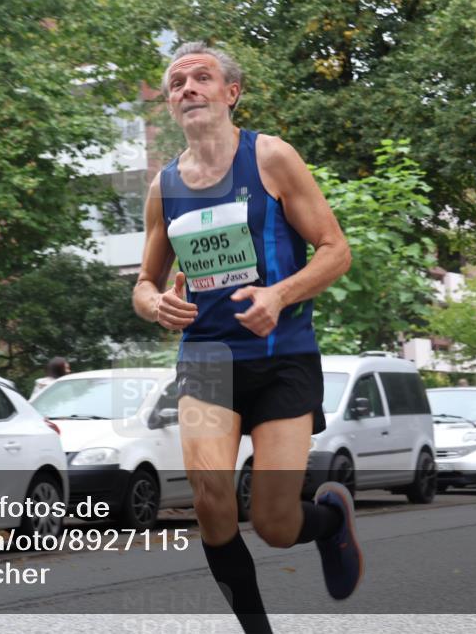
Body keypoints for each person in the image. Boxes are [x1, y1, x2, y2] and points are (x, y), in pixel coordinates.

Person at [132, 41, 362, 633]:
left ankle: (330, 521)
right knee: (210, 499)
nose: (187, 87)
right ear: (171, 103)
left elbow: (336, 251)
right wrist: (157, 304)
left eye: (201, 77)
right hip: (207, 359)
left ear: (231, 93)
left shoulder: (271, 158)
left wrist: (277, 296)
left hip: (282, 356)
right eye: (177, 82)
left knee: (275, 524)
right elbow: (144, 284)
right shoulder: (163, 187)